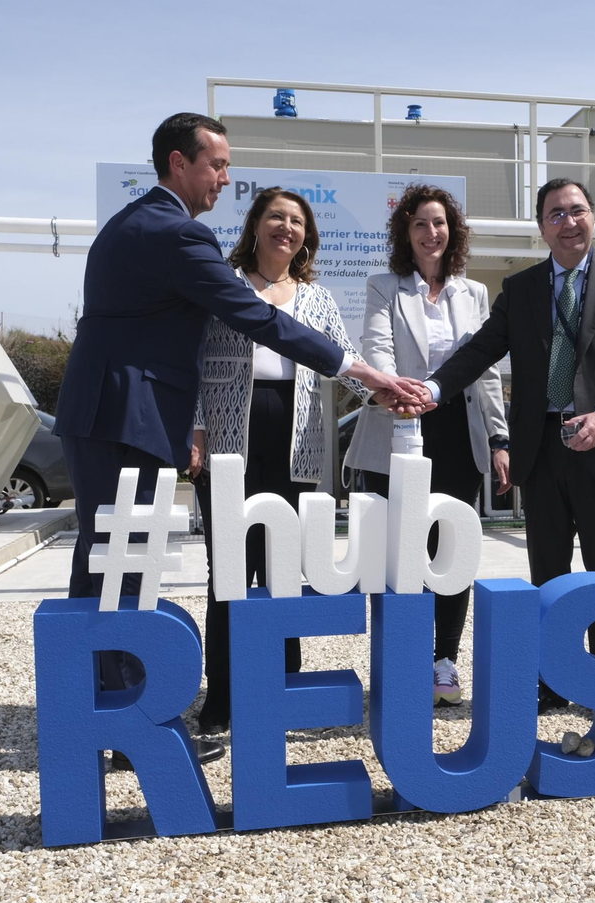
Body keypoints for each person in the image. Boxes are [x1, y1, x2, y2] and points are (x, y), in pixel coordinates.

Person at [53, 113, 422, 766]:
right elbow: (254, 316)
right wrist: (364, 371)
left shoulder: (138, 223)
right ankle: (120, 726)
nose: (225, 179)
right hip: (126, 414)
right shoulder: (176, 233)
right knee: (119, 571)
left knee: (112, 568)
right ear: (179, 163)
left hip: (120, 412)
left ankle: (109, 717)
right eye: (217, 165)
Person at [414, 178, 595, 712]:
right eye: (556, 214)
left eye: (577, 211)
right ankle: (553, 683)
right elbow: (479, 351)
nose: (568, 222)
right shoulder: (522, 288)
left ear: (592, 217)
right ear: (541, 228)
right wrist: (432, 391)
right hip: (541, 451)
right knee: (548, 578)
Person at [187, 187, 373, 735]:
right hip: (229, 438)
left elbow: (344, 359)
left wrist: (387, 393)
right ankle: (222, 696)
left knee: (282, 571)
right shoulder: (224, 284)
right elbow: (191, 358)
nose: (285, 227)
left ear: (306, 236)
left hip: (296, 441)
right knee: (229, 571)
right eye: (275, 217)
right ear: (255, 225)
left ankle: (282, 689)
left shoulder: (318, 299)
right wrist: (195, 426)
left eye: (296, 221)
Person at [343, 184, 509, 709]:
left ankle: (444, 661)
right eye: (420, 223)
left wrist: (499, 436)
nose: (430, 232)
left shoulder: (474, 293)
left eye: (439, 223)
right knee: (400, 553)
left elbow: (485, 371)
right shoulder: (383, 287)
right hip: (398, 428)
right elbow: (377, 348)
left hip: (458, 434)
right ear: (405, 232)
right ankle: (403, 658)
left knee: (451, 552)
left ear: (452, 232)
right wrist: (399, 393)